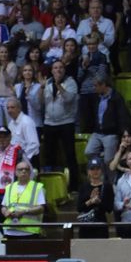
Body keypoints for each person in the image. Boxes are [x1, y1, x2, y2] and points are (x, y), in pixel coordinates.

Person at [40, 60, 79, 191]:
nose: (58, 70)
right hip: (49, 123)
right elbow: (40, 103)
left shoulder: (71, 82)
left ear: (64, 70)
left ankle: (73, 186)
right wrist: (41, 88)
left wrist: (58, 85)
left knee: (70, 155)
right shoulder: (47, 83)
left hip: (66, 123)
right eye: (55, 68)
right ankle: (50, 187)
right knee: (49, 155)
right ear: (52, 70)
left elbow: (69, 99)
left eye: (61, 67)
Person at [84, 75, 131, 167]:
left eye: (96, 86)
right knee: (89, 152)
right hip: (97, 132)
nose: (94, 88)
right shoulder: (96, 97)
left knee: (108, 160)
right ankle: (100, 167)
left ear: (103, 85)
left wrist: (124, 130)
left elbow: (122, 115)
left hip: (110, 133)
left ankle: (109, 175)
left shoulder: (116, 97)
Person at [1, 161, 45, 238]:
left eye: (26, 169)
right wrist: (5, 212)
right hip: (10, 230)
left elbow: (41, 208)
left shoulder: (37, 187)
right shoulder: (9, 187)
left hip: (29, 231)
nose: (23, 171)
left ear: (30, 172)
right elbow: (4, 206)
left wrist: (24, 211)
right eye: (20, 169)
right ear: (15, 172)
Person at [76, 157, 114, 239]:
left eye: (97, 168)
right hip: (86, 225)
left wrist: (98, 201)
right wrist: (90, 201)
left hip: (100, 224)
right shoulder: (83, 186)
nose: (95, 171)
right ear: (88, 171)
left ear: (101, 170)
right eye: (92, 169)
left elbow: (109, 208)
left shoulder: (107, 186)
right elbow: (79, 208)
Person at [6, 98, 39, 169]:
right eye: (8, 108)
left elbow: (34, 144)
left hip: (29, 159)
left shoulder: (27, 122)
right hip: (16, 159)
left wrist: (22, 158)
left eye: (12, 107)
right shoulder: (10, 124)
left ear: (19, 109)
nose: (9, 110)